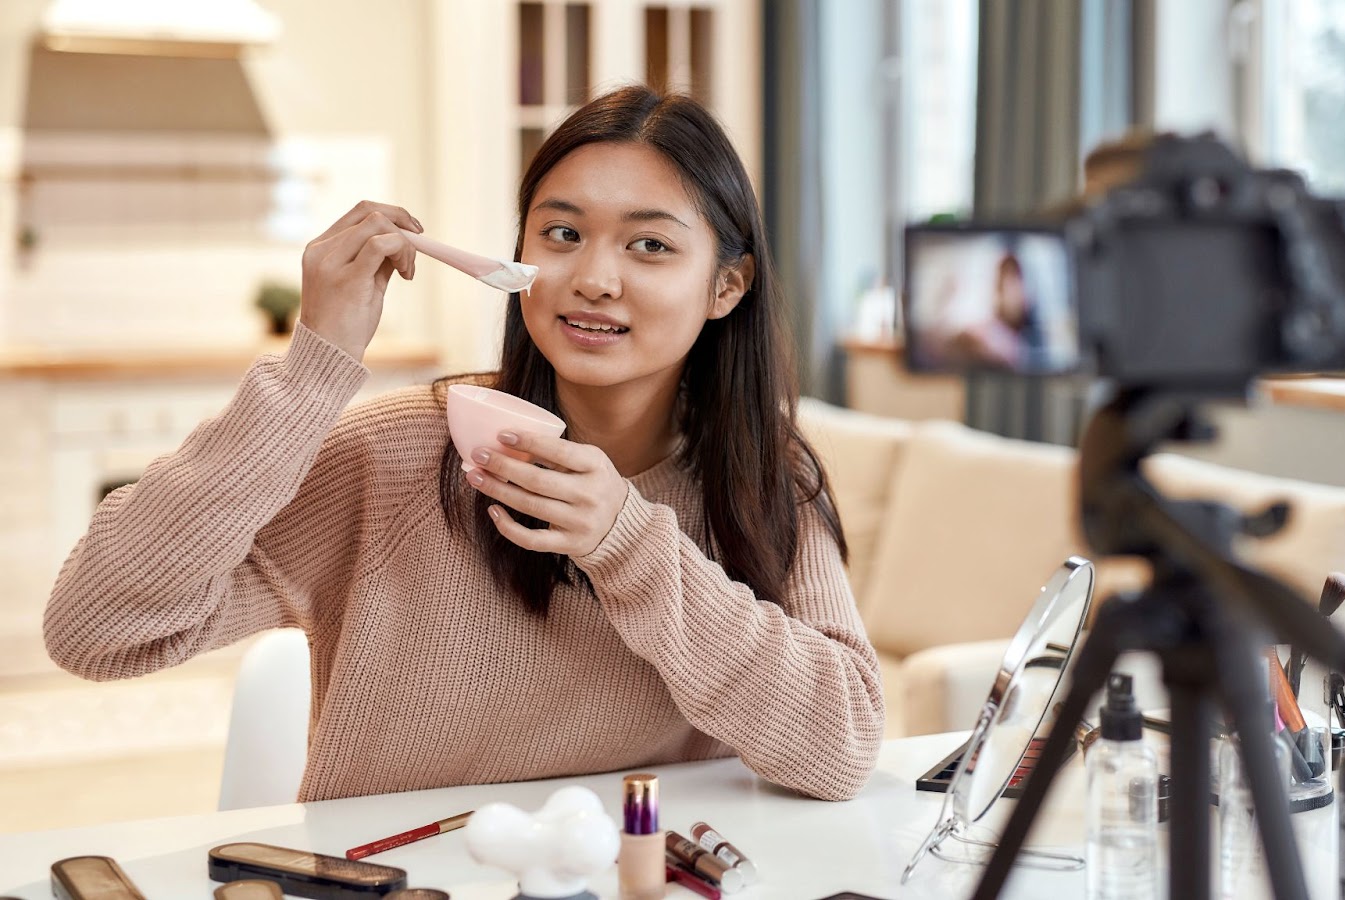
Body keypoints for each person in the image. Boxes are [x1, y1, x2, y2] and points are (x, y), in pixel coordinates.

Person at [42, 86, 884, 803]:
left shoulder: (763, 472)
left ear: (727, 285)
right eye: (561, 234)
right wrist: (313, 367)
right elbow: (96, 631)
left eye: (650, 245)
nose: (593, 276)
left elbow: (842, 745)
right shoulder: (400, 455)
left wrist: (625, 543)